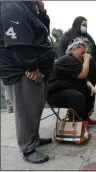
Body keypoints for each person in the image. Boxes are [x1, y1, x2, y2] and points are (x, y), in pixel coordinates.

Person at [0, 1, 55, 163]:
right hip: (22, 71)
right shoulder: (11, 5)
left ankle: (34, 138)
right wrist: (31, 66)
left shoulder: (28, 8)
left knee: (34, 109)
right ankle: (27, 148)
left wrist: (42, 11)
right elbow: (17, 41)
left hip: (35, 69)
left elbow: (43, 32)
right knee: (25, 112)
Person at [57, 16, 96, 126]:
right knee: (78, 93)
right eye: (83, 24)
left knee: (89, 92)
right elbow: (62, 54)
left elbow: (95, 51)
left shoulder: (88, 37)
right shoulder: (67, 36)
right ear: (77, 24)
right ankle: (75, 119)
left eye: (86, 25)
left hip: (90, 71)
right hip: (74, 71)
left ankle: (86, 117)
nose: (84, 27)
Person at [47, 38, 96, 122]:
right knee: (77, 97)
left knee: (88, 91)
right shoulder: (67, 59)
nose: (85, 54)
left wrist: (91, 86)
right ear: (73, 50)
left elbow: (84, 78)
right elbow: (83, 74)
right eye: (82, 52)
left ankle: (85, 118)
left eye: (85, 52)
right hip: (54, 93)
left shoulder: (75, 61)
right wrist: (86, 60)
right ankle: (75, 123)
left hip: (63, 88)